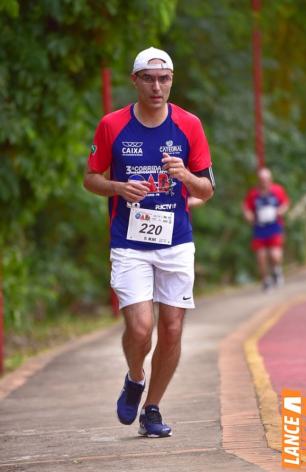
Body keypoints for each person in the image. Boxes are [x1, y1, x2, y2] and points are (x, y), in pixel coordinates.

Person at [83, 47, 215, 438]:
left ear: (172, 80)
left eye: (165, 79)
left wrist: (186, 177)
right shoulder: (112, 125)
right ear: (135, 81)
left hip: (176, 241)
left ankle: (152, 409)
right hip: (129, 241)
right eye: (149, 79)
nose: (158, 87)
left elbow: (207, 189)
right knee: (141, 328)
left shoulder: (189, 125)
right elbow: (91, 178)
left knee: (172, 329)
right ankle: (135, 377)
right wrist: (118, 187)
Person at [243, 167, 289, 291]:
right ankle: (266, 280)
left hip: (274, 226)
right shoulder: (253, 194)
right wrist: (249, 216)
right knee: (261, 257)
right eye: (262, 179)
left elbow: (285, 203)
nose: (264, 182)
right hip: (260, 228)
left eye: (266, 179)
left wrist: (280, 211)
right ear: (259, 180)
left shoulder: (277, 190)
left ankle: (277, 270)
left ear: (270, 179)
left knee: (275, 255)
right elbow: (246, 208)